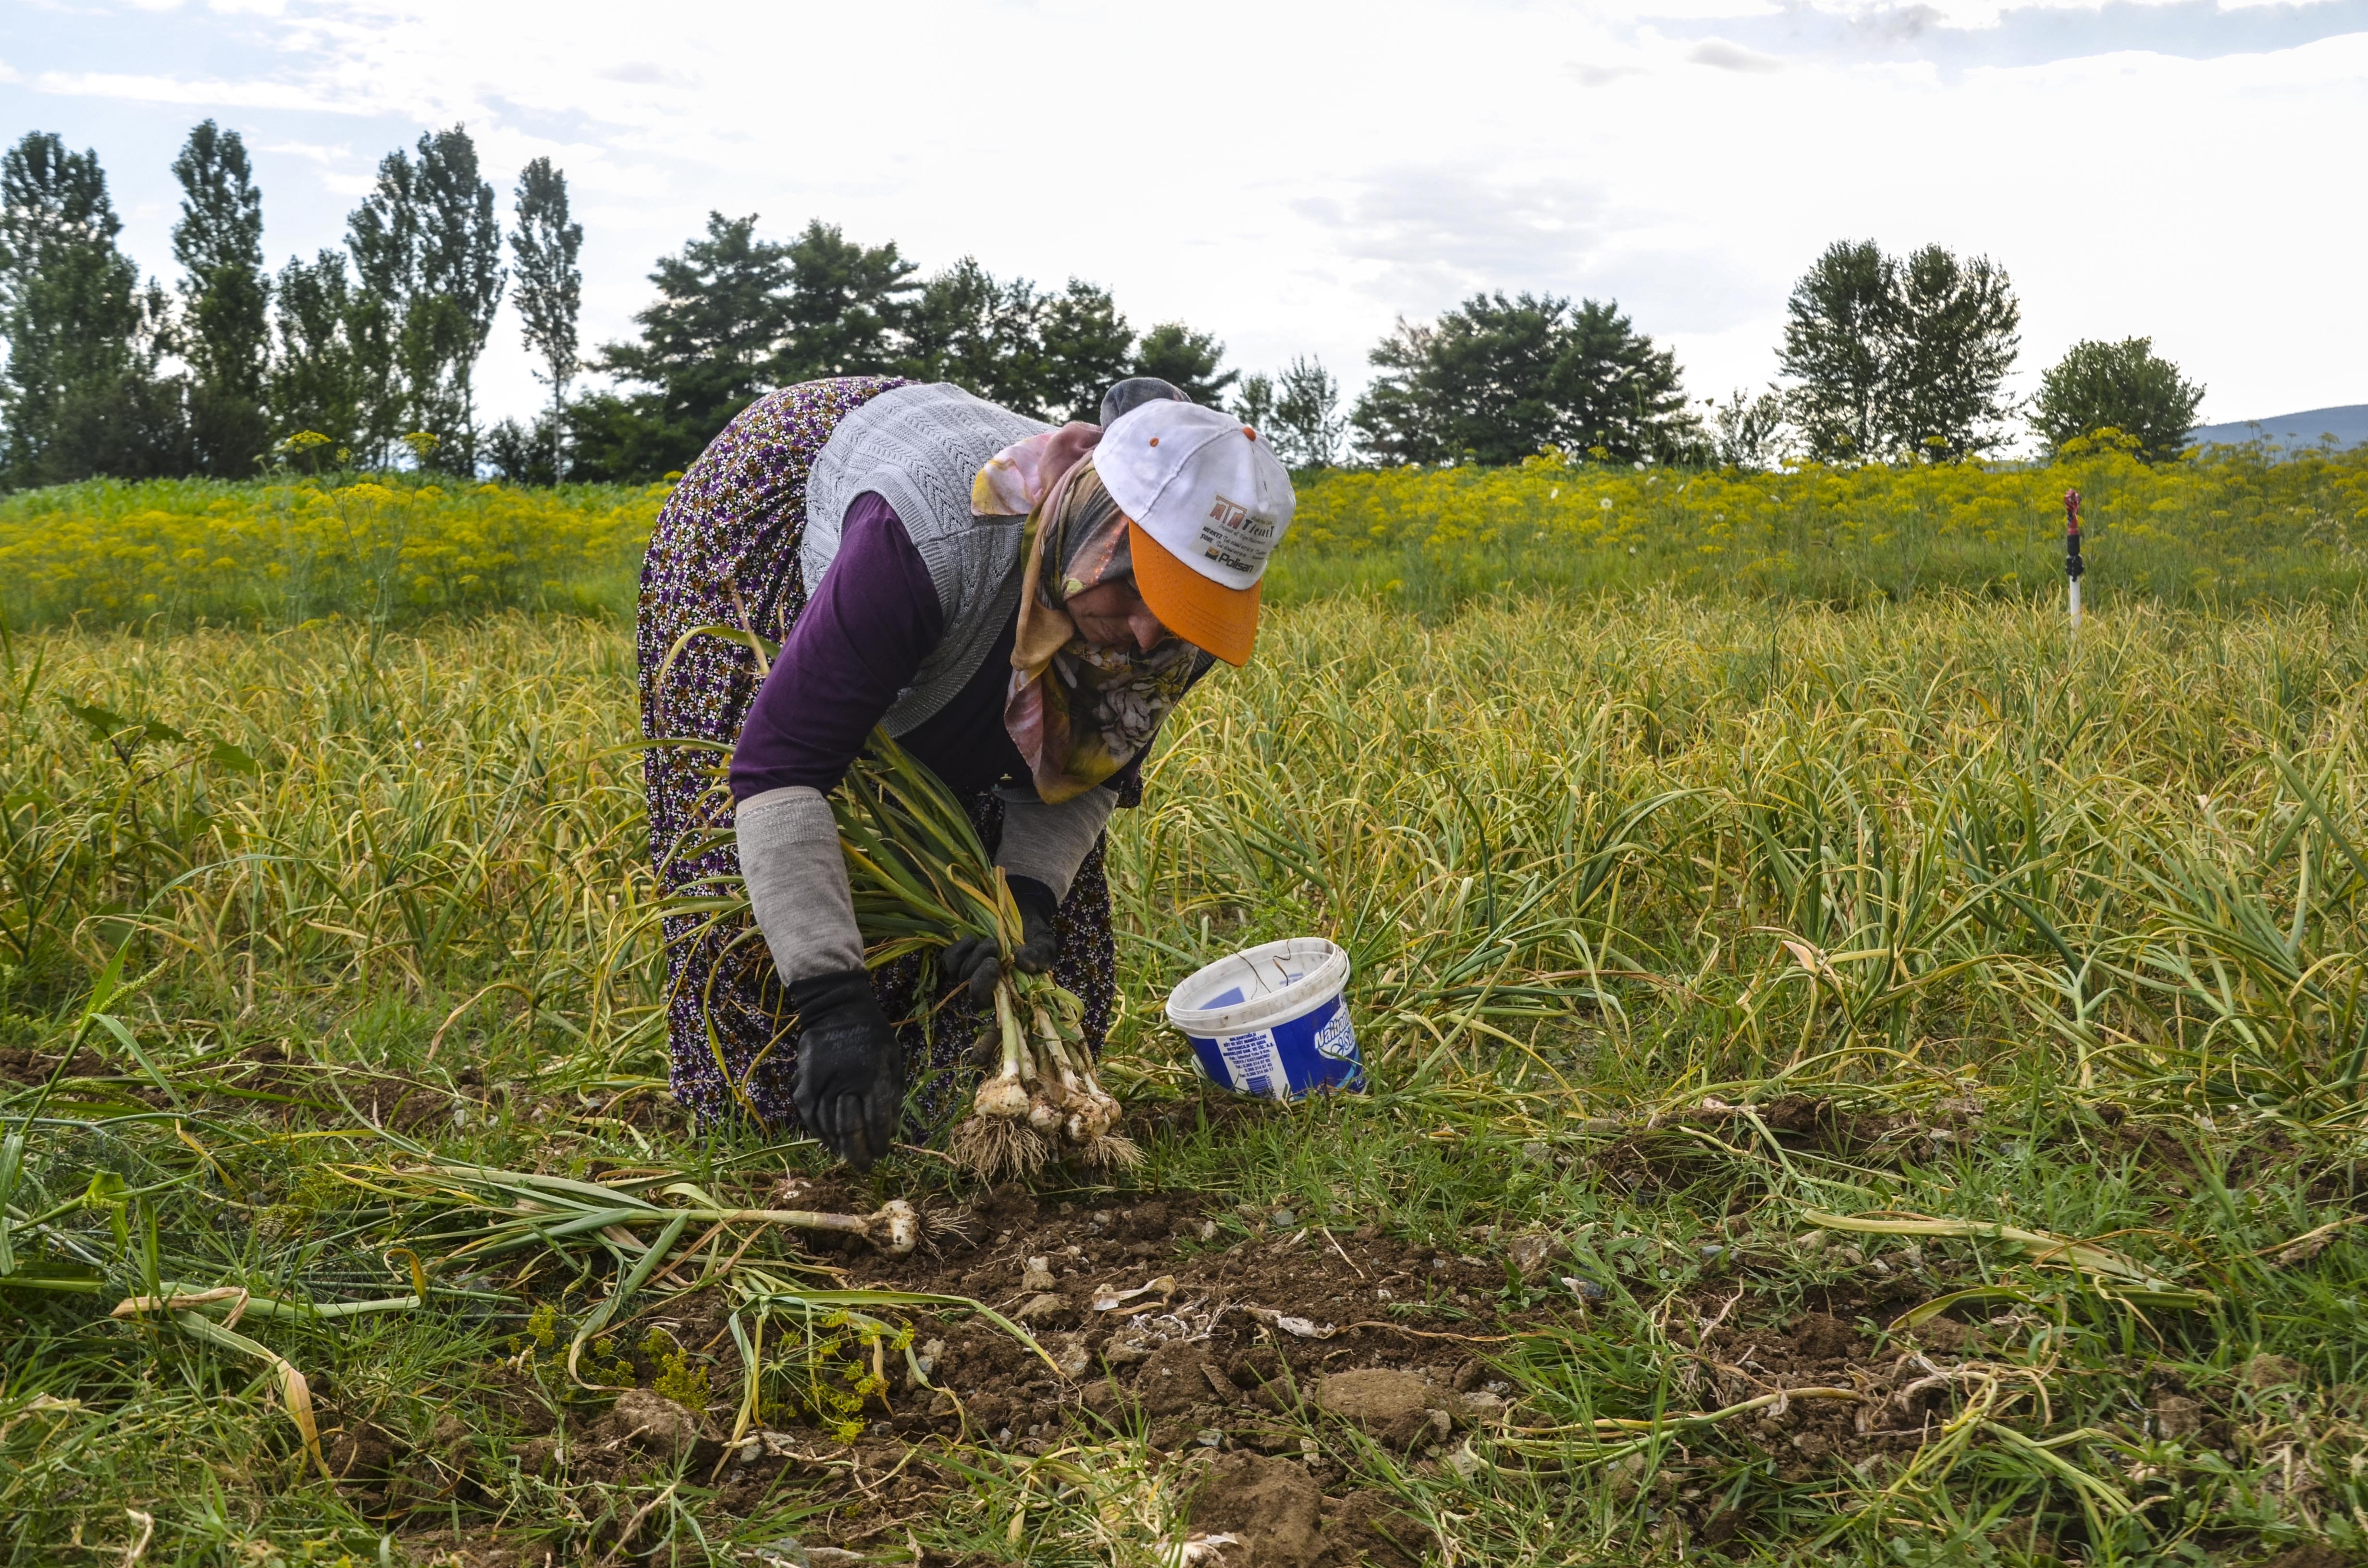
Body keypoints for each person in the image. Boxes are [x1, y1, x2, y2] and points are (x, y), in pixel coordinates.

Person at [637, 375, 1295, 1167]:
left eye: (1186, 604)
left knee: (1030, 924)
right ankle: (774, 1123)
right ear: (1085, 522)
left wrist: (1021, 896)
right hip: (783, 499)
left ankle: (962, 1108)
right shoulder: (921, 540)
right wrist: (833, 1001)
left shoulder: (1172, 633)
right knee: (753, 823)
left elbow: (1088, 766)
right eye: (1135, 587)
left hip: (953, 556)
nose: (1149, 632)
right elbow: (781, 768)